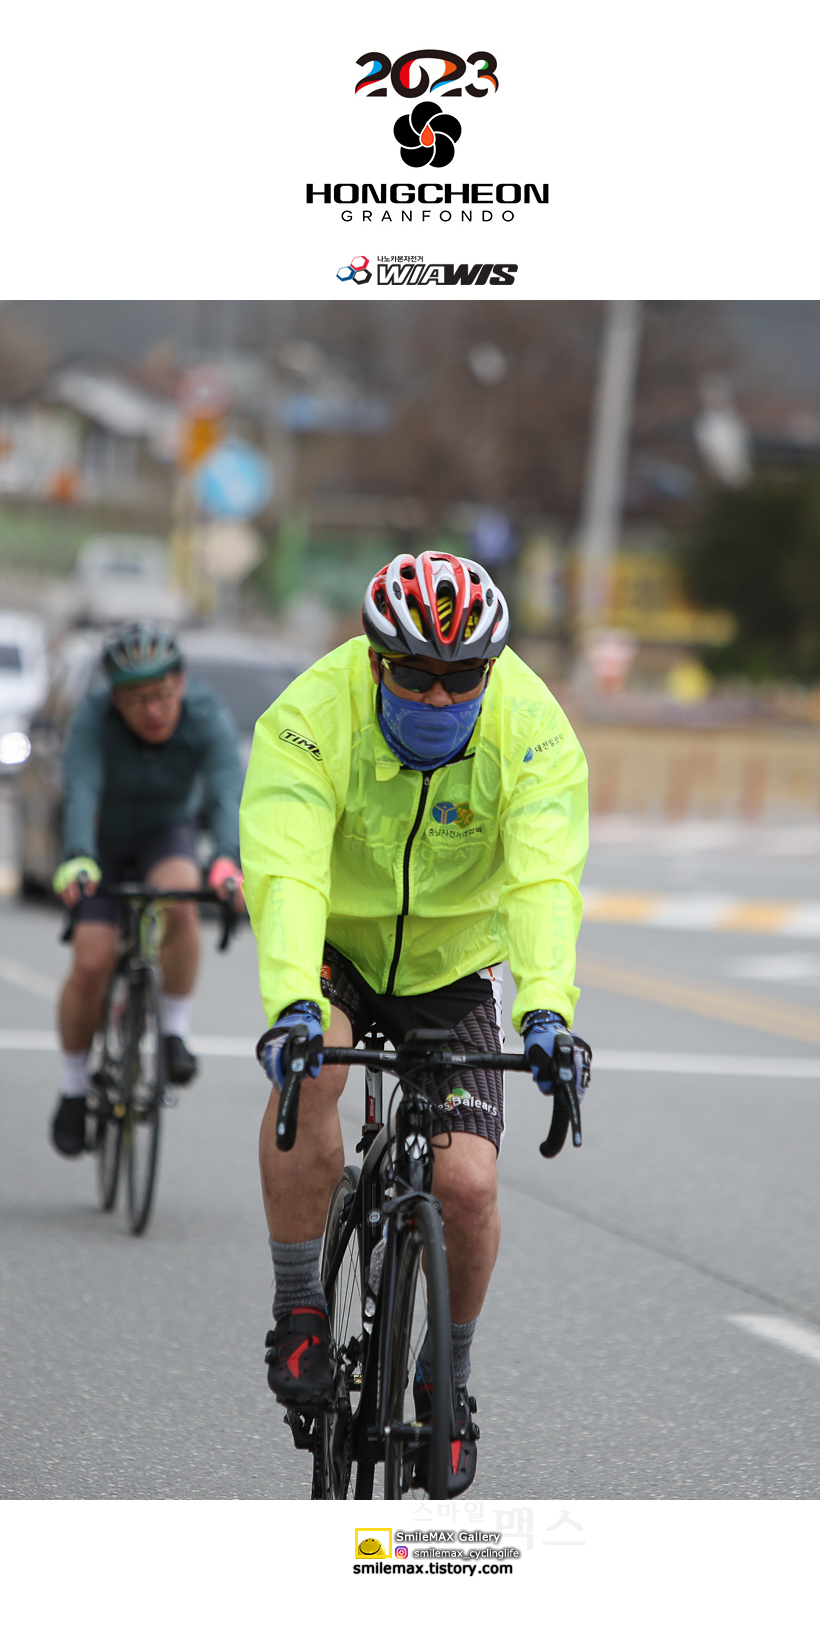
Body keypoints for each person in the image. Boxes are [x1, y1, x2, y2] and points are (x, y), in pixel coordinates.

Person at [241, 550, 590, 1496]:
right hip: (338, 944)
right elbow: (287, 868)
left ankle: (448, 1375)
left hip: (452, 961)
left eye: (462, 678)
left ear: (490, 671)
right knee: (314, 1069)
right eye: (415, 674)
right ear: (373, 660)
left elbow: (545, 879)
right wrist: (292, 1005)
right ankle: (300, 1308)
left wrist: (547, 1010)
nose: (439, 697)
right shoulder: (312, 717)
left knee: (466, 1184)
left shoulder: (532, 730)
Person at [50, 621, 244, 1157]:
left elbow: (226, 790)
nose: (152, 711)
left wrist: (226, 859)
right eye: (136, 701)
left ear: (179, 682)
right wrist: (76, 857)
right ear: (116, 699)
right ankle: (72, 1087)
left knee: (181, 898)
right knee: (91, 962)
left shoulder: (205, 714)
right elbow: (81, 790)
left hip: (166, 834)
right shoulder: (94, 719)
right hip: (103, 842)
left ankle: (173, 1032)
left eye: (161, 695)